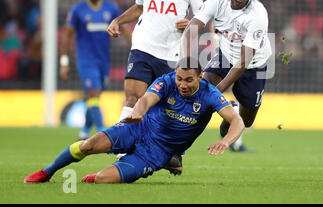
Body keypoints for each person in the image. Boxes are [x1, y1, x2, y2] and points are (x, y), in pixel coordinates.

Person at [24, 57, 244, 184]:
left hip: (157, 152)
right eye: (179, 79)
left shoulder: (210, 94)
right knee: (88, 145)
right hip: (138, 127)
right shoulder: (166, 81)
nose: (182, 84)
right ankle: (48, 171)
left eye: (188, 80)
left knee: (102, 180)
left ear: (200, 76)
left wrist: (226, 141)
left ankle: (111, 172)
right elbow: (147, 99)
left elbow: (237, 121)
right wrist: (137, 111)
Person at [106, 0, 203, 134]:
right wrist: (117, 20)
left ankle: (168, 152)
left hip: (171, 53)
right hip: (143, 47)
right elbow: (139, 8)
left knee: (167, 107)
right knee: (132, 98)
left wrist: (191, 24)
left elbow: (202, 16)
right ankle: (121, 148)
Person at [181, 0, 272, 153]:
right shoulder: (217, 2)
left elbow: (244, 61)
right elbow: (190, 31)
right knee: (199, 95)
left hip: (253, 65)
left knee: (245, 121)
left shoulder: (258, 15)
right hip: (225, 56)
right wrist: (186, 64)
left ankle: (232, 113)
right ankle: (176, 148)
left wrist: (219, 92)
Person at [59, 0, 131, 140]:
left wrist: (136, 48)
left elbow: (124, 27)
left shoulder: (111, 8)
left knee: (95, 96)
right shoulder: (78, 10)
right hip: (85, 59)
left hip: (104, 60)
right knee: (94, 92)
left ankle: (84, 130)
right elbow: (67, 36)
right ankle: (101, 132)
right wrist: (64, 62)